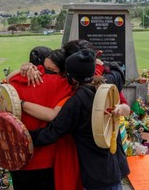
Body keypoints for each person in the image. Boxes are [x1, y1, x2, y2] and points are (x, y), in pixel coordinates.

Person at [29, 49, 131, 190]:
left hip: (95, 175)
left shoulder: (75, 103)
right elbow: (118, 71)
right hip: (113, 168)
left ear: (71, 77)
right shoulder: (106, 83)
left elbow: (51, 133)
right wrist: (103, 63)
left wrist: (24, 135)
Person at [8, 47, 75, 190]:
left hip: (15, 154)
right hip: (42, 158)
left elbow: (5, 84)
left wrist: (25, 69)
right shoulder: (65, 85)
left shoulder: (20, 77)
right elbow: (52, 115)